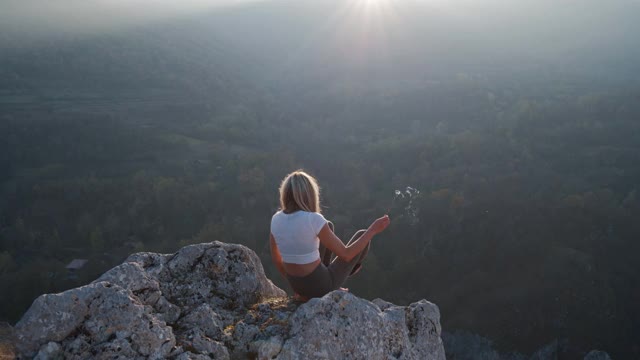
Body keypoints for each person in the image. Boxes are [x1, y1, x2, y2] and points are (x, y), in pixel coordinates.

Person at [269, 170, 390, 300]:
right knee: (362, 235)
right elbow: (347, 254)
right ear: (310, 194)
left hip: (297, 286)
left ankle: (328, 277)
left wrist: (295, 281)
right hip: (321, 287)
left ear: (285, 194)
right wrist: (373, 230)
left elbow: (277, 259)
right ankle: (340, 277)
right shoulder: (313, 219)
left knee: (328, 226)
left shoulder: (276, 219)